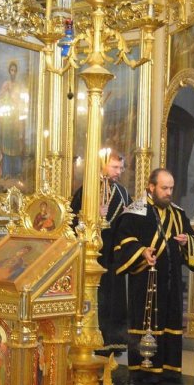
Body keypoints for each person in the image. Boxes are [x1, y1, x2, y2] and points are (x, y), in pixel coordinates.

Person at [113, 169, 194, 383]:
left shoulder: (177, 214)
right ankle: (143, 370)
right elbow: (122, 240)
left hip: (171, 282)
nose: (169, 192)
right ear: (151, 187)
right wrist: (141, 251)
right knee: (145, 321)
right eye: (164, 188)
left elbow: (193, 237)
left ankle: (169, 369)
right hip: (145, 280)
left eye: (171, 188)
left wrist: (187, 240)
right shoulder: (135, 212)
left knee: (170, 319)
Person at [71, 150, 133, 351]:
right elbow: (73, 221)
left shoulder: (122, 192)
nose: (119, 172)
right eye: (115, 167)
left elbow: (129, 219)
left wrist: (129, 214)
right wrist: (93, 213)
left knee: (114, 295)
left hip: (114, 254)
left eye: (121, 168)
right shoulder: (87, 190)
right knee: (96, 295)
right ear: (103, 165)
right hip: (93, 253)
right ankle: (92, 336)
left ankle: (114, 339)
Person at [0, 60, 29, 181]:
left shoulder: (19, 86)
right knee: (7, 145)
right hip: (7, 119)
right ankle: (7, 172)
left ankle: (17, 172)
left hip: (16, 119)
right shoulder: (6, 84)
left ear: (16, 72)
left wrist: (18, 103)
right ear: (9, 71)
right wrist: (6, 95)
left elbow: (22, 101)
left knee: (17, 145)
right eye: (11, 70)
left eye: (15, 70)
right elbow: (0, 98)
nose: (13, 72)